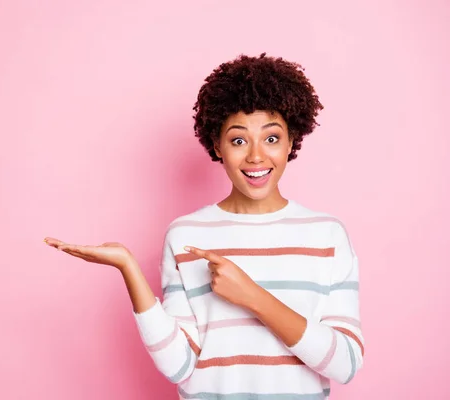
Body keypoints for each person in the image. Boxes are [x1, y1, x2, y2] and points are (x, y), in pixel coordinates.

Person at [45, 53, 364, 399]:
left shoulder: (327, 235)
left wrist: (252, 297)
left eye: (271, 138)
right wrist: (127, 267)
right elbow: (178, 366)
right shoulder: (186, 236)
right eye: (239, 140)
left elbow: (345, 364)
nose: (256, 156)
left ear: (291, 141)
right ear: (217, 145)